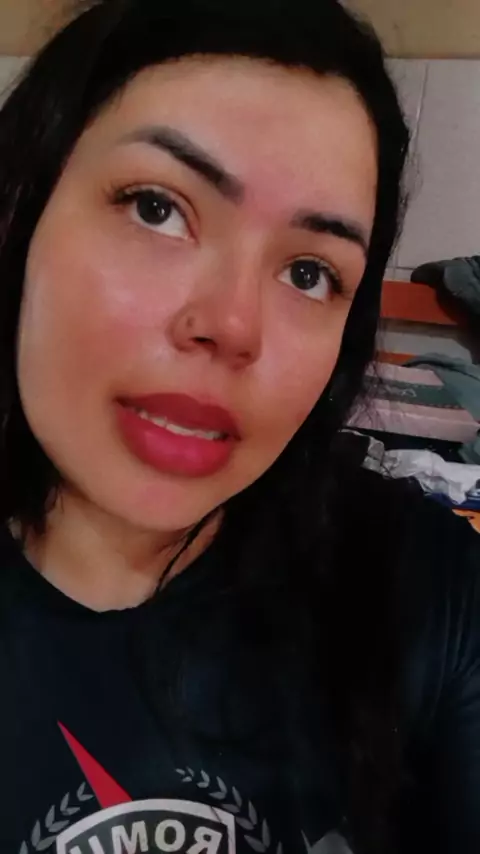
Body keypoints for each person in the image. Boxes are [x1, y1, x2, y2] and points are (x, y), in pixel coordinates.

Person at [0, 1, 478, 852]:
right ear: (19, 212)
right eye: (157, 207)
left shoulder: (427, 590)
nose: (232, 324)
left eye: (309, 271)